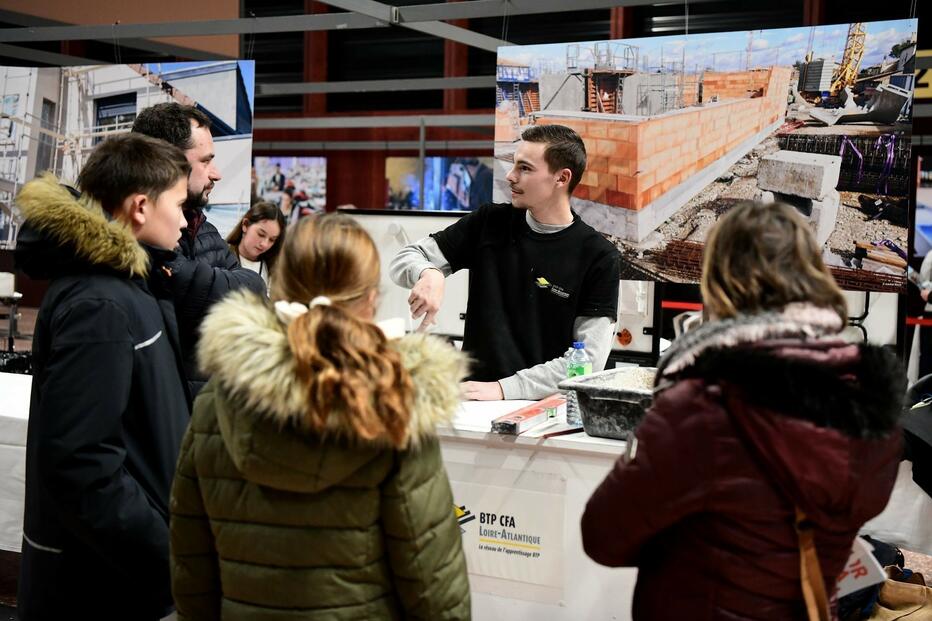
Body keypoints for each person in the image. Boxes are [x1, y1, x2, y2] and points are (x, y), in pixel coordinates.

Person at [581, 201, 904, 620]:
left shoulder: (701, 407)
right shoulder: (867, 401)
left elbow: (603, 537)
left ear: (718, 280)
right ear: (813, 274)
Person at [170, 214, 471, 620]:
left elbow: (191, 567)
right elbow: (432, 585)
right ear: (370, 300)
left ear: (278, 287)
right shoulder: (393, 408)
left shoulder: (217, 401)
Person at [14, 134, 192, 620]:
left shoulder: (124, 286)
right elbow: (83, 465)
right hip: (103, 585)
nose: (183, 218)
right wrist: (171, 557)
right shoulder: (101, 305)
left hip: (121, 572)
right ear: (140, 206)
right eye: (178, 204)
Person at [389, 124, 620, 401]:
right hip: (473, 404)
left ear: (562, 178)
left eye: (525, 168)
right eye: (514, 165)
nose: (511, 176)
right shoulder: (489, 223)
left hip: (544, 413)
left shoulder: (598, 256)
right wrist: (428, 272)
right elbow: (404, 259)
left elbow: (588, 362)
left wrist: (503, 389)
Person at [132, 102, 264, 395]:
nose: (216, 174)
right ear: (168, 162)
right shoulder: (136, 242)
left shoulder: (202, 228)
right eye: (205, 161)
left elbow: (253, 288)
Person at [225, 200, 286, 288]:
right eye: (261, 234)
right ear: (245, 225)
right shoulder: (221, 256)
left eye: (272, 240)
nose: (264, 244)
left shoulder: (275, 269)